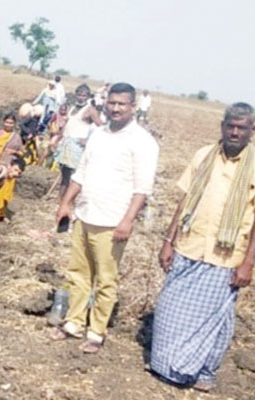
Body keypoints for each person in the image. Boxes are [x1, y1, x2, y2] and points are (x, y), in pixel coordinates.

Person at [150, 102, 255, 392]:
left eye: (241, 127)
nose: (234, 132)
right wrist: (168, 242)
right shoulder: (204, 155)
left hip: (226, 257)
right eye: (230, 126)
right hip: (189, 246)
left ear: (252, 131)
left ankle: (203, 373)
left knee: (217, 318)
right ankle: (167, 365)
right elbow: (183, 202)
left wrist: (248, 263)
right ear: (222, 126)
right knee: (170, 308)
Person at [52, 83, 159, 353]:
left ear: (133, 107)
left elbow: (142, 188)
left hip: (112, 221)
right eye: (112, 103)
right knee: (78, 274)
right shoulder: (98, 134)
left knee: (106, 279)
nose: (115, 108)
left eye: (122, 104)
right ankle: (74, 322)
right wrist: (66, 204)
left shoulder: (143, 141)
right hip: (85, 214)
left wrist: (128, 221)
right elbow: (81, 173)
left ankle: (96, 332)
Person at [56, 84, 102, 196]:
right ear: (76, 95)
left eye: (84, 95)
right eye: (79, 94)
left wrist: (88, 141)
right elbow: (67, 125)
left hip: (77, 146)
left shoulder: (90, 110)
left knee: (75, 175)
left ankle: (71, 200)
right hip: (66, 143)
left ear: (87, 97)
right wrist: (58, 139)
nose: (81, 97)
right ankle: (61, 200)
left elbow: (102, 128)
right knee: (64, 174)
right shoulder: (72, 108)